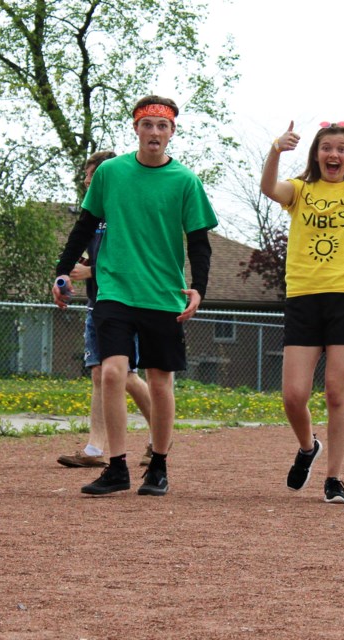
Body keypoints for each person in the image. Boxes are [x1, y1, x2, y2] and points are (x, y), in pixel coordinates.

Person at [53, 95, 217, 495]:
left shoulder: (185, 181)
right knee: (111, 372)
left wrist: (199, 289)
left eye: (163, 126)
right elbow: (85, 225)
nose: (155, 133)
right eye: (148, 125)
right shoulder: (111, 172)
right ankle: (116, 467)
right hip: (115, 290)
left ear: (172, 132)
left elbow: (199, 243)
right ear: (136, 128)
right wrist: (62, 271)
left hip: (163, 294)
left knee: (160, 382)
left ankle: (158, 465)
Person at [260, 117, 344, 504]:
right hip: (303, 298)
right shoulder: (299, 191)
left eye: (341, 149)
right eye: (326, 148)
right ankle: (307, 447)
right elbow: (269, 187)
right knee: (293, 395)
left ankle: (334, 478)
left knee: (337, 393)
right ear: (316, 155)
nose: (333, 154)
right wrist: (275, 150)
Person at [56, 151, 157, 470]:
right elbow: (87, 252)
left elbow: (133, 259)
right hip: (97, 303)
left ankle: (160, 438)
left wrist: (92, 271)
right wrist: (66, 274)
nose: (87, 180)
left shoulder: (125, 210)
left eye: (92, 175)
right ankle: (93, 449)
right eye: (86, 175)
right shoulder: (94, 214)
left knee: (125, 376)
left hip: (127, 303)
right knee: (100, 373)